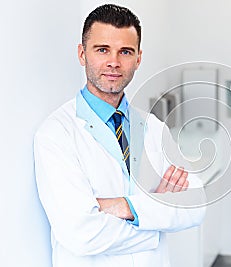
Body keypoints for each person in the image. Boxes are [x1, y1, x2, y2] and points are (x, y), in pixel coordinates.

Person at [34, 4, 206, 267]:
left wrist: (125, 207)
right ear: (82, 54)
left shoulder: (154, 129)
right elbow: (81, 233)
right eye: (102, 49)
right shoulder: (57, 134)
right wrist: (154, 219)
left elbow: (195, 204)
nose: (114, 62)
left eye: (125, 52)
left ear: (138, 58)